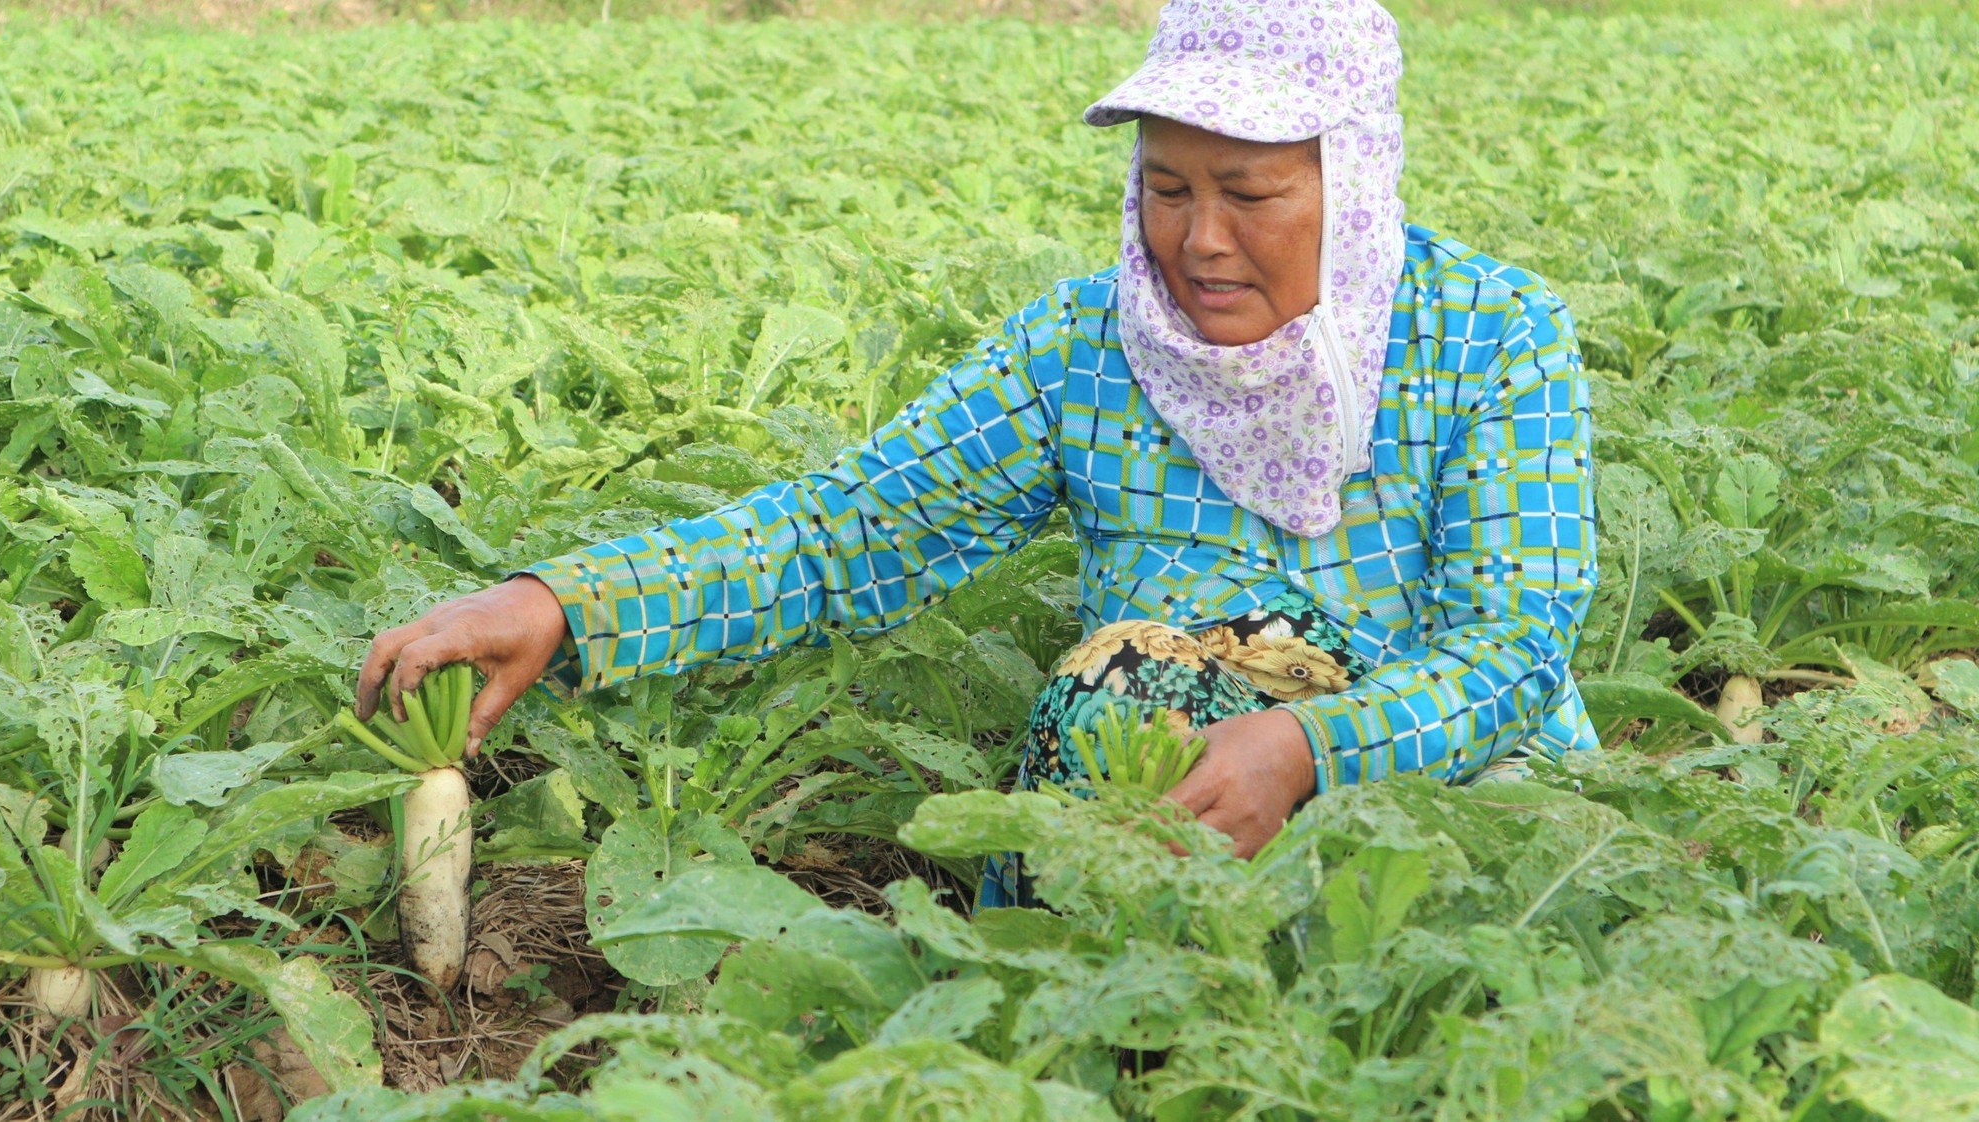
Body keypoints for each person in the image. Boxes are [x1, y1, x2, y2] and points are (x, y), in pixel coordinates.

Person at [354, 0, 1597, 910]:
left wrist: (1307, 750)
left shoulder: (1489, 336)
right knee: (1126, 691)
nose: (1198, 240)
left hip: (1457, 791)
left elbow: (1512, 647)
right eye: (1164, 188)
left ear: (1355, 184)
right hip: (1151, 772)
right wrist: (562, 604)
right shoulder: (1082, 346)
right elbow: (848, 530)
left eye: (1249, 192)